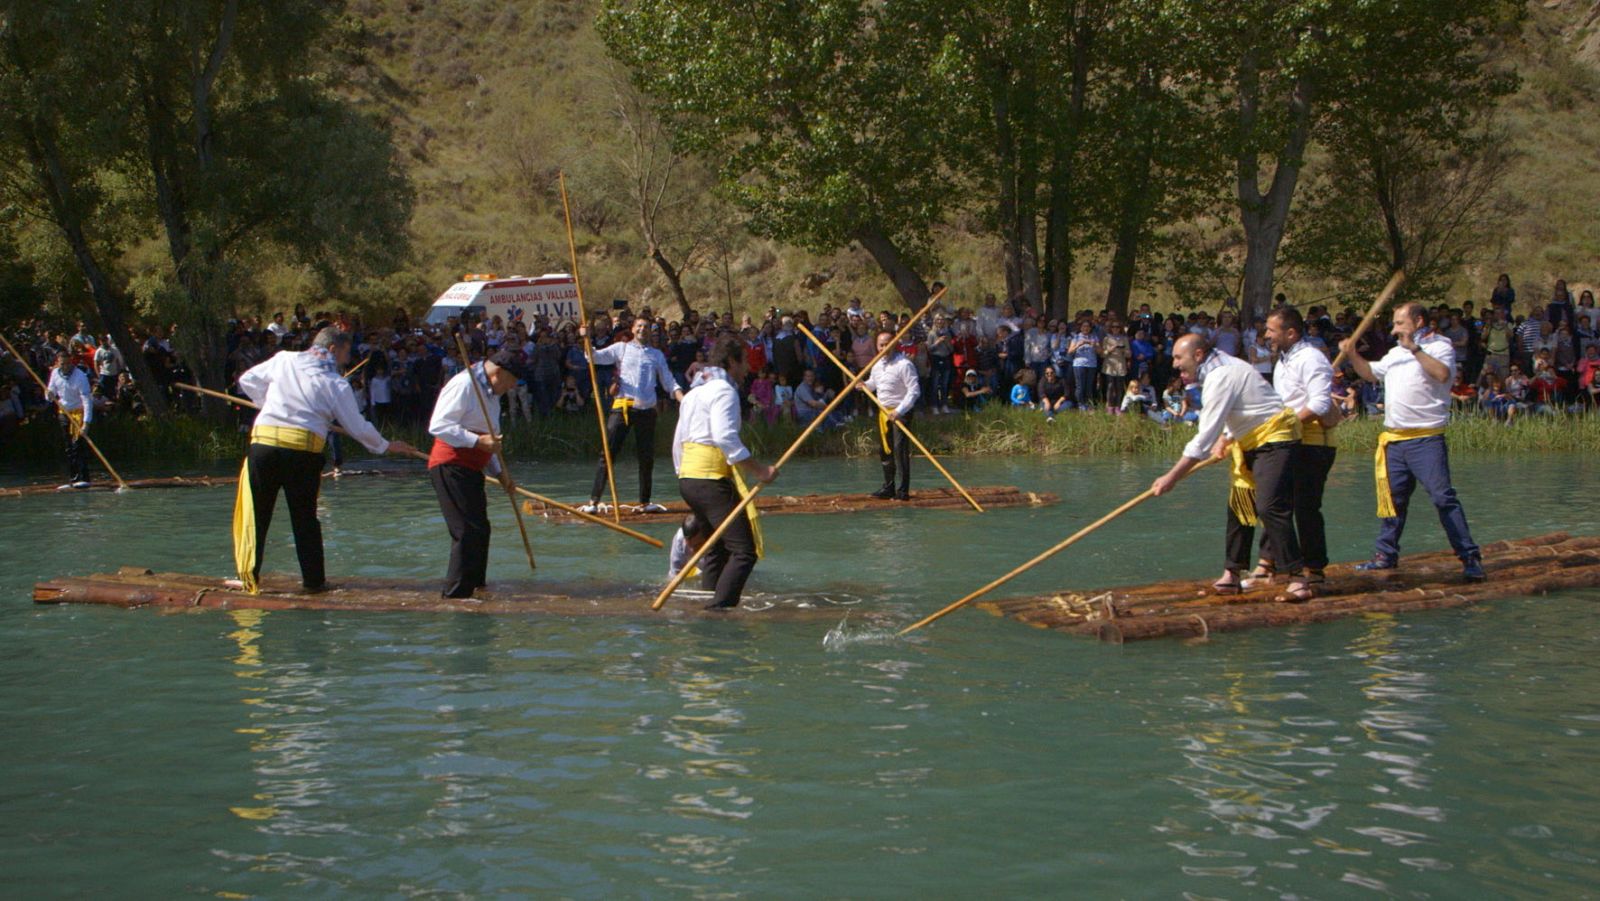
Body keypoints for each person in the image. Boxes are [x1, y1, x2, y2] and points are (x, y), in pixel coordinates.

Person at [232, 327, 418, 594]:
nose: (346, 359)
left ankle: (248, 579)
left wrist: (267, 403)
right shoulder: (336, 384)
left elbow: (248, 380)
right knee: (305, 519)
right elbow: (357, 426)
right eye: (345, 352)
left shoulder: (284, 359)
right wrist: (386, 445)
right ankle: (314, 582)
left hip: (263, 445)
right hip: (301, 452)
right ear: (332, 349)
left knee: (256, 514)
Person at [1149, 335, 1313, 602]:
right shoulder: (1217, 369)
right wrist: (1227, 436)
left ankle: (1297, 577)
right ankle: (1232, 574)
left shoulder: (1220, 375)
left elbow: (1203, 438)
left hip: (1276, 438)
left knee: (1269, 506)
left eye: (1179, 358)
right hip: (1249, 439)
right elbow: (1237, 409)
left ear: (1199, 354)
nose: (1175, 364)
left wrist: (1172, 476)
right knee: (1240, 506)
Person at [1340, 302, 1484, 581]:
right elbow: (1370, 373)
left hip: (1426, 438)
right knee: (1392, 501)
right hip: (1395, 439)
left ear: (1418, 322)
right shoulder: (1394, 353)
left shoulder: (1440, 346)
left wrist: (1414, 349)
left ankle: (1469, 557)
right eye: (1393, 324)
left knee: (1443, 498)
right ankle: (1386, 554)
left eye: (1399, 324)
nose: (1394, 330)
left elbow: (1443, 375)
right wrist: (1353, 355)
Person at [671, 335, 778, 608]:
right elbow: (725, 437)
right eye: (744, 362)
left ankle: (710, 598)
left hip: (688, 479)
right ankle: (718, 610)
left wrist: (684, 475)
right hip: (709, 480)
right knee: (744, 552)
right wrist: (760, 470)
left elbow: (678, 440)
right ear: (732, 361)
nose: (747, 370)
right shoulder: (723, 391)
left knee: (716, 547)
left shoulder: (694, 392)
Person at [427, 349, 523, 599]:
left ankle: (477, 587)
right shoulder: (464, 384)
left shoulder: (491, 395)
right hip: (450, 464)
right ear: (498, 373)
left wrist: (501, 474)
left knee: (481, 529)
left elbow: (490, 442)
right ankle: (456, 595)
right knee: (466, 531)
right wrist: (477, 441)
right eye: (511, 382)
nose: (510, 388)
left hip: (472, 468)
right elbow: (439, 425)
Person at [1255, 306, 1338, 586]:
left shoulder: (1312, 358)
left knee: (1305, 506)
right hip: (1289, 439)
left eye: (1271, 330)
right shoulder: (1283, 360)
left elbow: (1319, 404)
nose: (1266, 335)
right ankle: (1269, 562)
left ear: (1290, 332)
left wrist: (1284, 423)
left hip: (1314, 442)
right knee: (1275, 501)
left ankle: (1314, 568)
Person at [578, 316, 684, 514]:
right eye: (639, 326)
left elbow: (669, 382)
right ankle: (593, 501)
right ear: (633, 329)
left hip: (646, 410)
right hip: (623, 407)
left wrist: (683, 400)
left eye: (646, 327)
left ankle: (645, 502)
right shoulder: (621, 348)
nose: (643, 329)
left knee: (646, 457)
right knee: (608, 454)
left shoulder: (656, 355)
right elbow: (593, 357)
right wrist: (587, 338)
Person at [860, 329, 921, 500]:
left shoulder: (904, 364)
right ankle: (888, 487)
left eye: (888, 344)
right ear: (877, 346)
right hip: (883, 412)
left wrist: (899, 411)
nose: (884, 348)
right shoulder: (877, 364)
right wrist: (863, 385)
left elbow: (914, 391)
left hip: (901, 412)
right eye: (881, 345)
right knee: (884, 450)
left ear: (895, 344)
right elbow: (874, 383)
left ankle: (903, 491)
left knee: (899, 450)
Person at [45, 349, 94, 489]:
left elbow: (87, 400)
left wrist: (86, 422)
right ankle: (73, 478)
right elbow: (51, 393)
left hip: (78, 413)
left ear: (71, 361)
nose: (65, 367)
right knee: (68, 447)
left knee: (78, 445)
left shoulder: (80, 376)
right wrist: (48, 394)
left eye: (67, 363)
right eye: (62, 364)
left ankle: (84, 477)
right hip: (64, 412)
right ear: (58, 363)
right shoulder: (55, 373)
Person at [667, 514, 711, 580]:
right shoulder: (680, 539)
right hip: (693, 571)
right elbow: (676, 573)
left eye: (697, 545)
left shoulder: (714, 538)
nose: (692, 550)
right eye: (690, 546)